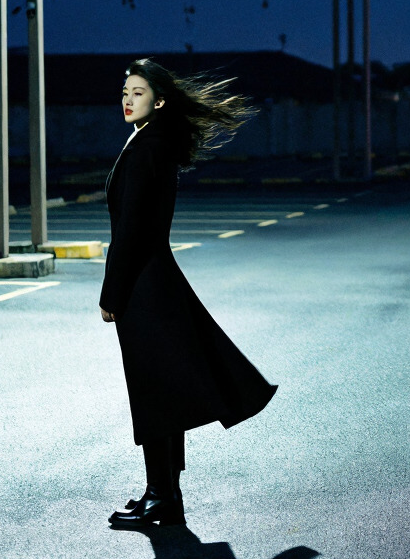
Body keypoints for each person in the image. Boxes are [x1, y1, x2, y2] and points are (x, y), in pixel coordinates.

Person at [100, 58, 277, 529]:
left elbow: (133, 231)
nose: (127, 99)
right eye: (125, 92)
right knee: (160, 391)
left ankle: (162, 496)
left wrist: (111, 293)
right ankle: (161, 493)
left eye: (137, 93)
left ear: (158, 101)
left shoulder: (150, 147)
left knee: (154, 392)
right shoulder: (149, 141)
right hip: (152, 283)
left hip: (145, 287)